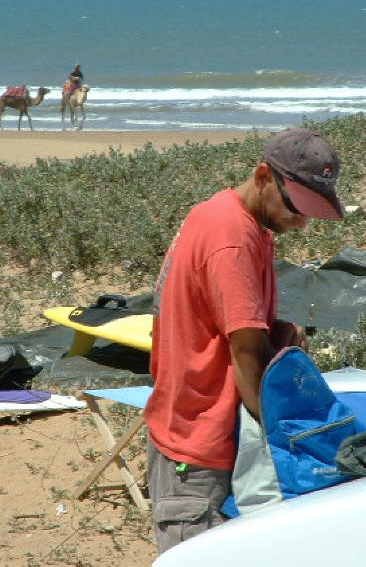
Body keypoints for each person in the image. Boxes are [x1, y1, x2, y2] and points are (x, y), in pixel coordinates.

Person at [143, 128, 345, 554]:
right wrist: (283, 443)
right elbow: (246, 353)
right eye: (296, 206)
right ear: (262, 177)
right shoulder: (232, 239)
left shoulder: (227, 217)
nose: (303, 222)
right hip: (199, 449)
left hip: (198, 429)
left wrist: (276, 331)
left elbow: (210, 322)